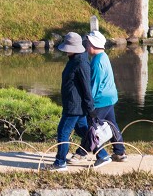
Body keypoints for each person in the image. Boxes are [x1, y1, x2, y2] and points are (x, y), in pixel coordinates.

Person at [46, 31, 94, 171]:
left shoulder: (81, 63)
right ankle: (102, 154)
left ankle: (60, 162)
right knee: (85, 132)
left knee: (63, 132)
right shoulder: (74, 60)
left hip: (74, 106)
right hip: (73, 105)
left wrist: (91, 108)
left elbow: (86, 88)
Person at [83, 29, 127, 166]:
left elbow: (94, 86)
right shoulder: (104, 56)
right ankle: (120, 151)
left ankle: (87, 153)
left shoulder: (96, 62)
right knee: (112, 125)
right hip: (110, 97)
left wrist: (89, 104)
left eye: (87, 43)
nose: (85, 45)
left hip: (101, 100)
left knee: (92, 128)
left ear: (92, 44)